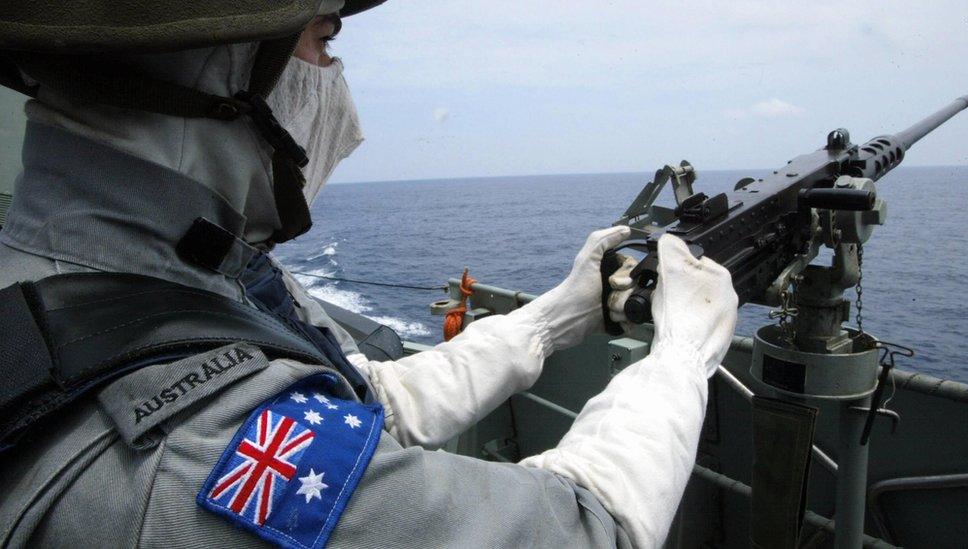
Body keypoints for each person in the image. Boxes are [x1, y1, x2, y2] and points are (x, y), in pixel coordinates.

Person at [0, 1, 738, 547]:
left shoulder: (170, 277)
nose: (336, 78)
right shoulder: (193, 452)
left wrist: (551, 318)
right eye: (324, 39)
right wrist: (680, 356)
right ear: (225, 69)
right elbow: (585, 532)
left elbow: (365, 399)